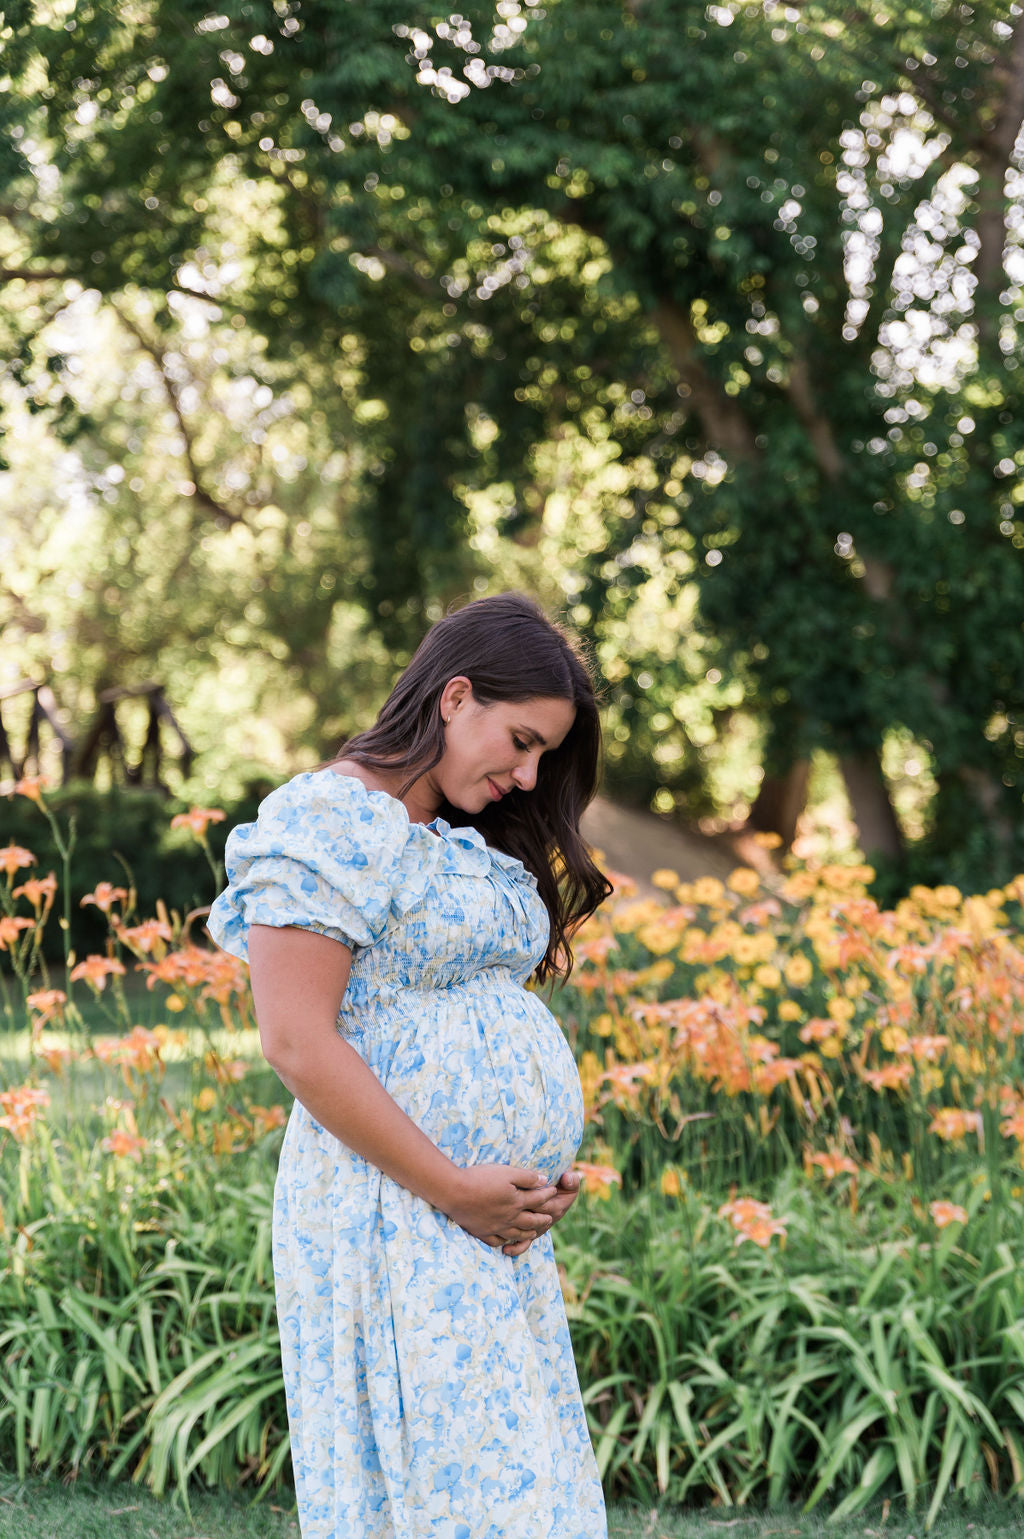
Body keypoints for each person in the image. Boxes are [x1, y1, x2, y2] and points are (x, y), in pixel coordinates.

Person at [208, 591, 613, 1539]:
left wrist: (521, 1178)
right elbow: (297, 1040)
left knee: (519, 1489)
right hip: (391, 1209)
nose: (527, 774)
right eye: (519, 741)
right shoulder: (329, 821)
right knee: (444, 1496)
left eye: (544, 755)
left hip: (481, 1225)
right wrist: (455, 1187)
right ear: (454, 696)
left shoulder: (459, 836)